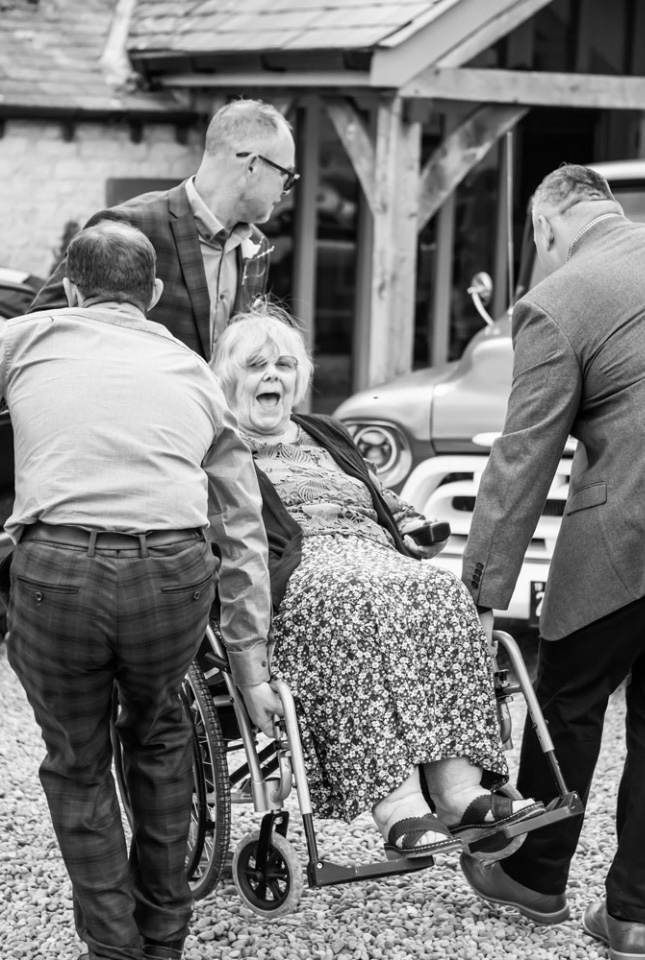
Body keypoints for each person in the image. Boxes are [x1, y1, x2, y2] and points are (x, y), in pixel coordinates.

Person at [1, 220, 276, 960]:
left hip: (56, 574)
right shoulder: (191, 371)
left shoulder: (25, 339)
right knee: (158, 740)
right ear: (153, 294)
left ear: (65, 288)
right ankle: (164, 938)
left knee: (77, 762)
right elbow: (243, 524)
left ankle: (114, 948)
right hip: (172, 576)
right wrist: (249, 662)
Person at [214, 305, 546, 859]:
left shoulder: (324, 432)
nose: (272, 375)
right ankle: (397, 803)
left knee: (442, 595)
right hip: (299, 567)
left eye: (284, 365)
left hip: (371, 551)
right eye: (255, 365)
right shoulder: (221, 447)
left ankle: (458, 789)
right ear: (227, 378)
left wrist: (415, 524)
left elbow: (382, 498)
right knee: (355, 597)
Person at [459, 163, 645, 960]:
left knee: (568, 698)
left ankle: (537, 876)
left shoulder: (558, 300)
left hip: (631, 533)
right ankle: (635, 916)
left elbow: (522, 461)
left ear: (546, 228)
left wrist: (479, 592)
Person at [28, 98, 298, 374]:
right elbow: (40, 328)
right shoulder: (129, 226)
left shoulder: (257, 246)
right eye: (287, 176)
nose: (287, 190)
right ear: (252, 165)